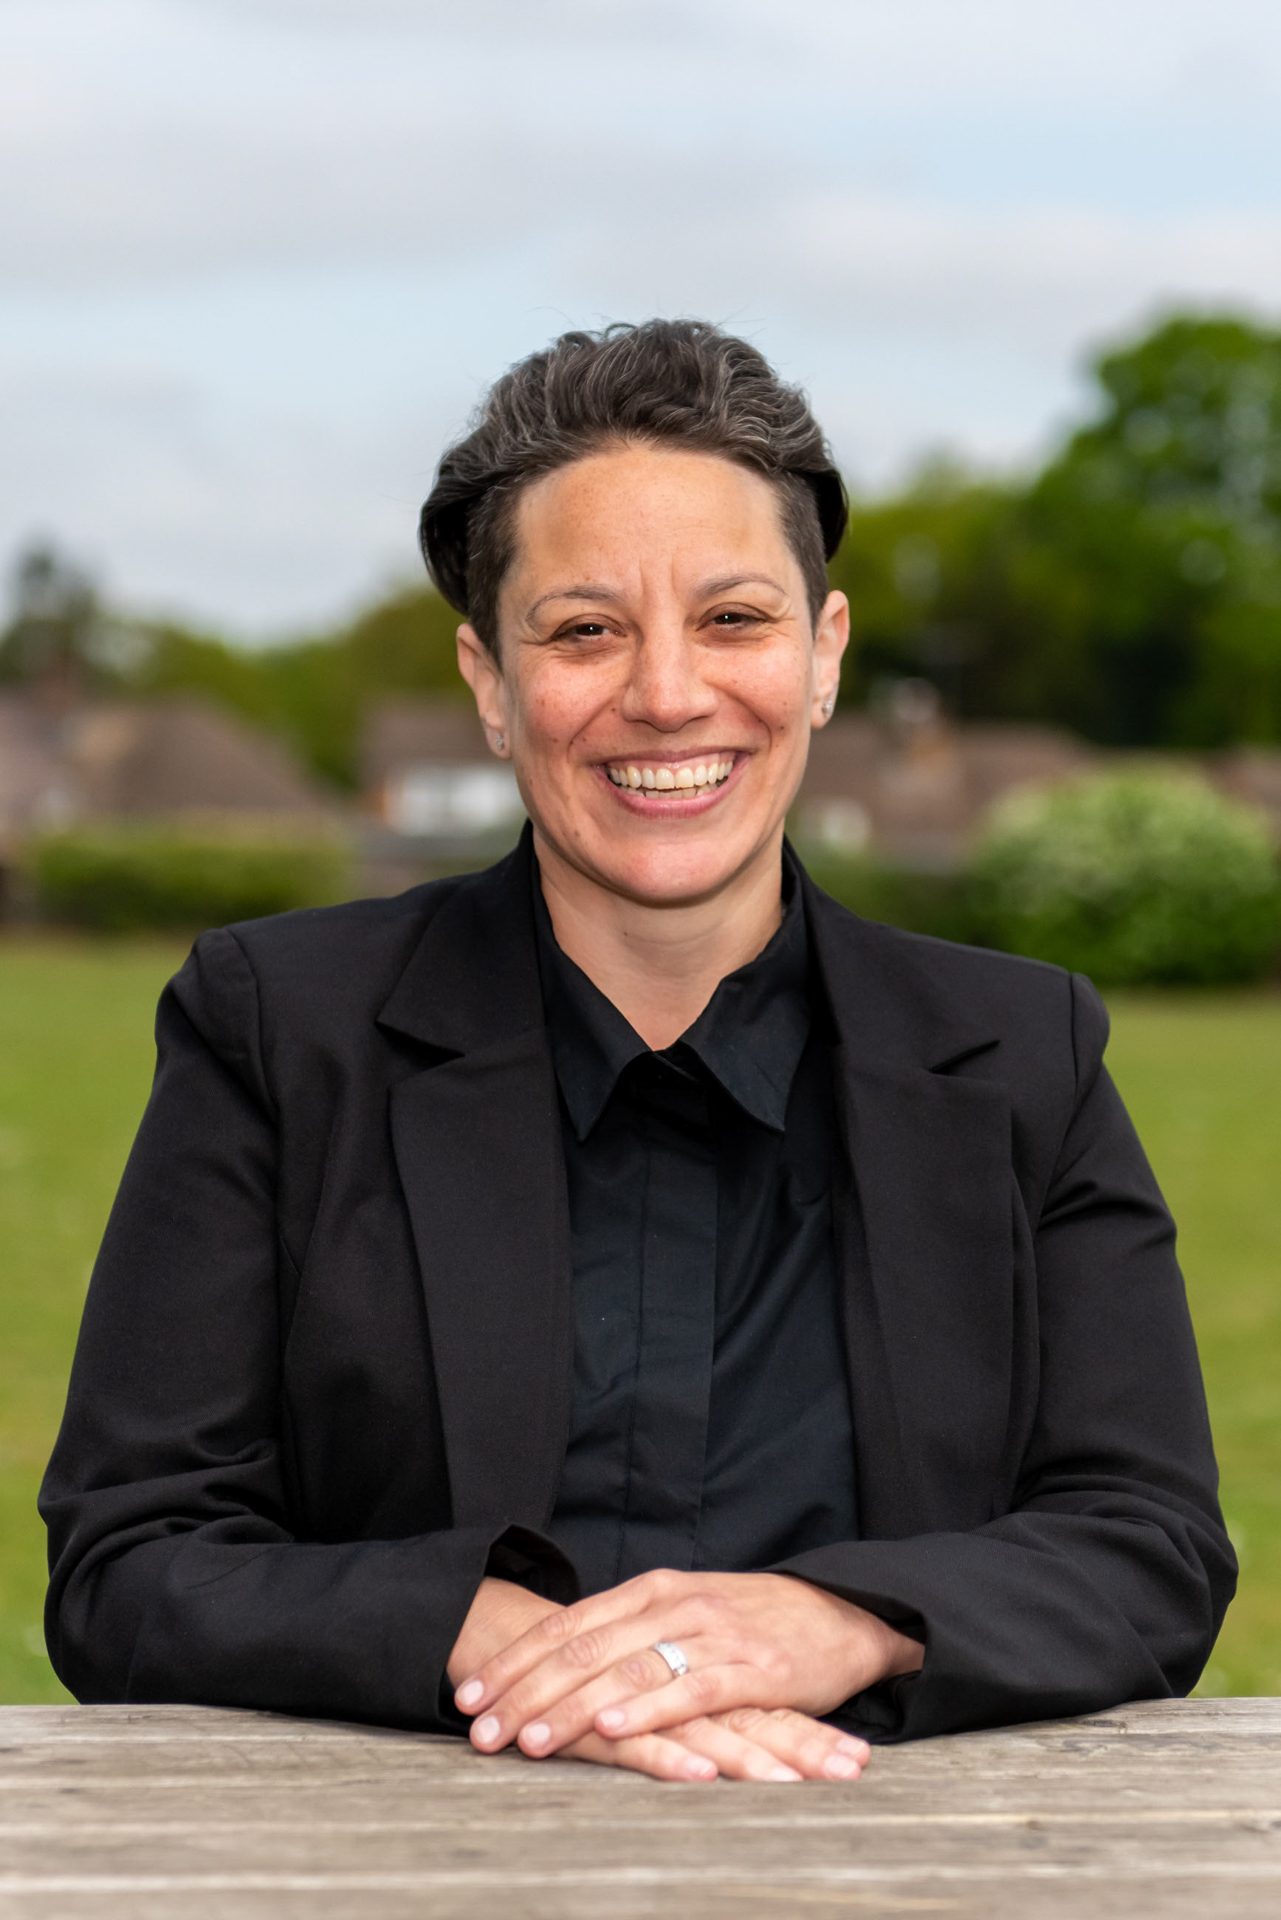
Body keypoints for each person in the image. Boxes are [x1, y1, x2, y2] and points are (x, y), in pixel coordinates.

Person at [41, 321, 1235, 1786]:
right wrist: (494, 1639)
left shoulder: (1021, 1056)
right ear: (490, 682)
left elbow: (1150, 1543)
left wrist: (837, 1623)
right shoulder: (278, 1032)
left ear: (823, 655)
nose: (666, 693)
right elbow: (130, 1555)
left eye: (732, 618)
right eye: (584, 631)